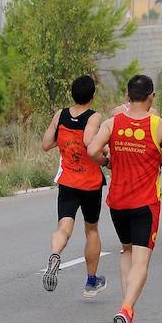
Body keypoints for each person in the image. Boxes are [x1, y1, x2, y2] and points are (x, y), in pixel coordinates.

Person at [87, 74, 162, 323]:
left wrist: (108, 162)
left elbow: (92, 148)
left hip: (118, 202)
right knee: (142, 260)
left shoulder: (113, 122)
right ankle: (126, 310)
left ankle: (129, 312)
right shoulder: (158, 126)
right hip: (145, 203)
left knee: (126, 251)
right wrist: (160, 154)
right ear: (151, 97)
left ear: (128, 96)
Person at [40, 75, 108, 296]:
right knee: (91, 229)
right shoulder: (94, 116)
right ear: (92, 95)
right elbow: (90, 142)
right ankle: (91, 282)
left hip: (68, 182)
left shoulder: (60, 114)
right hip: (89, 184)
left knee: (64, 228)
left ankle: (55, 253)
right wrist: (104, 158)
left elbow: (46, 144)